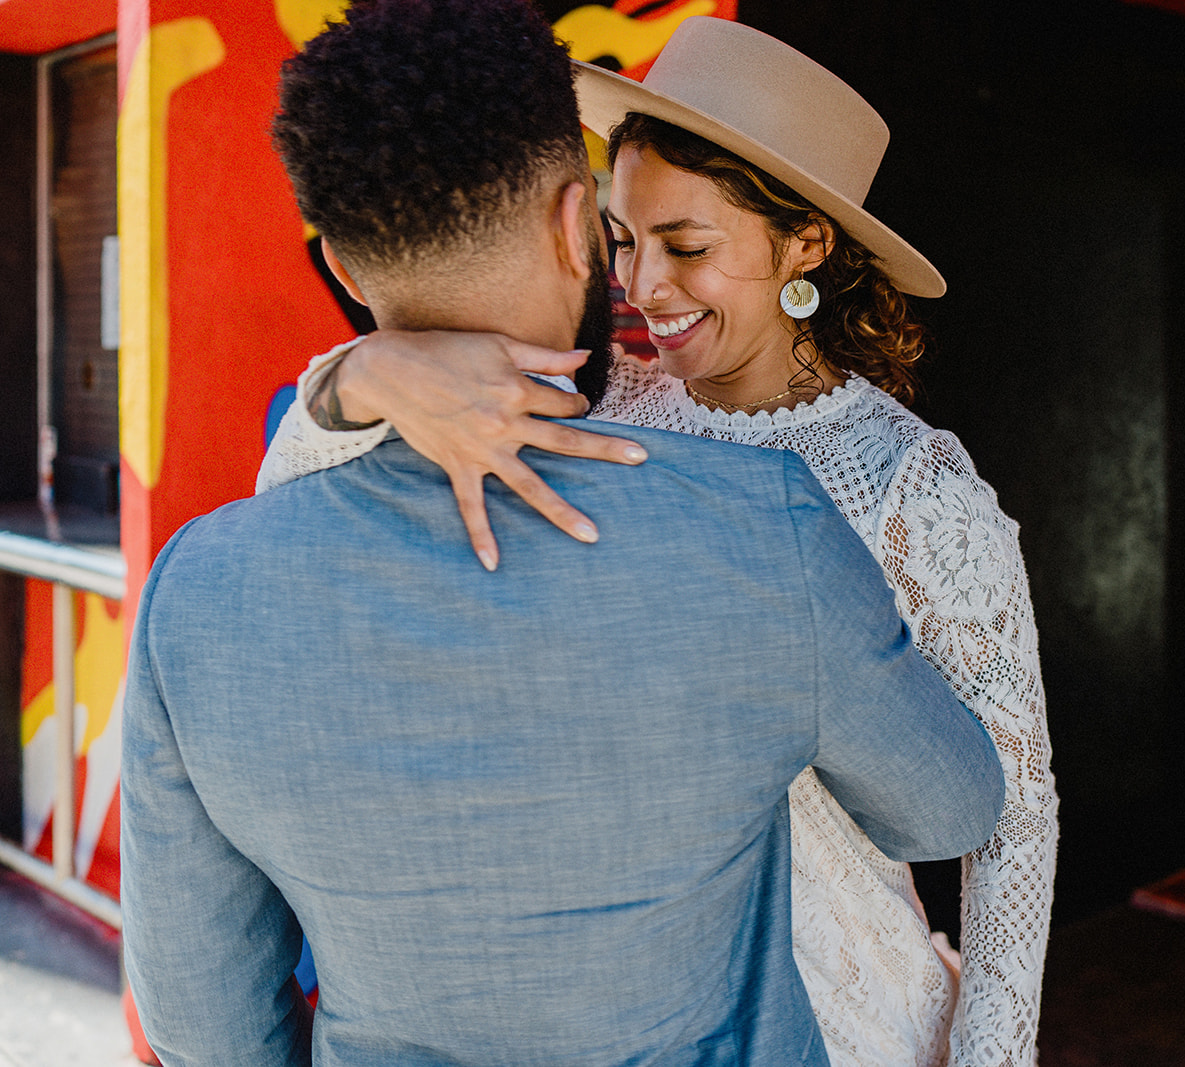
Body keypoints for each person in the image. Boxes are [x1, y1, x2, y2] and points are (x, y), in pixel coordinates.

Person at [119, 3, 1006, 1065]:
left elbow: (199, 1021)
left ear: (349, 274)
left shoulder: (197, 597)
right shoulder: (767, 524)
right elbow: (948, 808)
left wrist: (361, 374)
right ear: (574, 220)